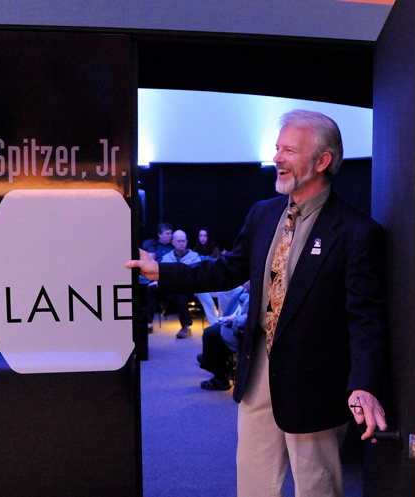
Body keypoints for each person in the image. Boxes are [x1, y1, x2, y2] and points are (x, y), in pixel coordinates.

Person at [127, 109, 387, 496]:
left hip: (316, 384)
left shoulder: (356, 232)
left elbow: (364, 320)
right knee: (253, 482)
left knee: (316, 485)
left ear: (322, 161)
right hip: (257, 371)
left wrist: (364, 383)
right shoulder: (263, 214)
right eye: (277, 148)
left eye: (290, 150)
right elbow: (226, 270)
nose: (278, 158)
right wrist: (164, 273)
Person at [161, 230, 218, 336]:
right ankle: (147, 324)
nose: (182, 243)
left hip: (192, 287)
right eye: (179, 241)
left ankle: (216, 324)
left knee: (208, 293)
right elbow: (163, 274)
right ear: (173, 242)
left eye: (183, 241)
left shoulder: (194, 256)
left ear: (187, 241)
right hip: (171, 288)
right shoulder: (167, 258)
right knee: (151, 289)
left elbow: (198, 275)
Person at [199, 282, 250, 391]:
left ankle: (220, 379)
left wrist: (232, 319)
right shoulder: (245, 291)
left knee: (210, 334)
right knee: (213, 331)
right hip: (235, 325)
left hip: (242, 332)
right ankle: (210, 358)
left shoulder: (257, 295)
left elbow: (248, 320)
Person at [141, 222, 174, 331]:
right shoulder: (152, 246)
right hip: (154, 277)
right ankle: (147, 322)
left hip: (170, 277)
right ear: (160, 235)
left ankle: (185, 325)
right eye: (167, 233)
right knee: (148, 288)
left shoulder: (174, 246)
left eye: (171, 233)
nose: (170, 236)